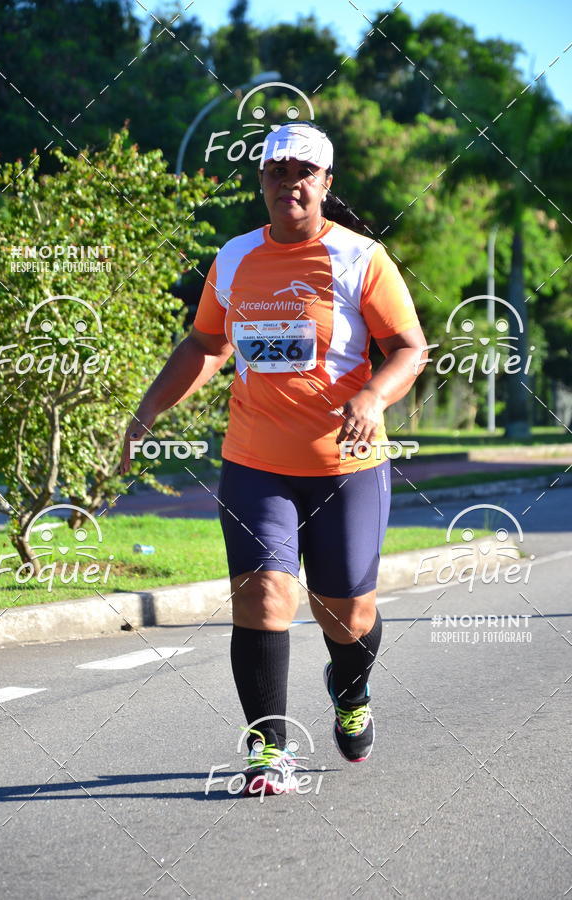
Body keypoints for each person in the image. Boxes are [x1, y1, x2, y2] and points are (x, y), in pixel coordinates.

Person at [120, 121, 428, 796]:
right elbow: (205, 344)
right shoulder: (233, 259)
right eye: (277, 171)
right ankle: (268, 751)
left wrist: (374, 397)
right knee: (263, 598)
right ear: (261, 180)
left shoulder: (359, 259)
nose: (290, 182)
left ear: (325, 183)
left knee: (348, 615)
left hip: (345, 467)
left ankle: (351, 691)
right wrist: (148, 411)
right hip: (255, 462)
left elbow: (409, 347)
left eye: (303, 172)